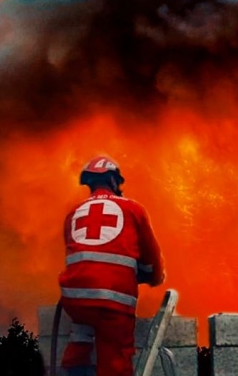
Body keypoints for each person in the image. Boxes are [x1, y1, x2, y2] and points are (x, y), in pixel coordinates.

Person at [58, 155, 165, 376]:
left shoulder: (72, 213)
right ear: (114, 182)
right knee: (115, 358)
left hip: (75, 299)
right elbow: (152, 261)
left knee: (81, 337)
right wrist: (153, 277)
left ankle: (76, 365)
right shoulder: (133, 209)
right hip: (112, 301)